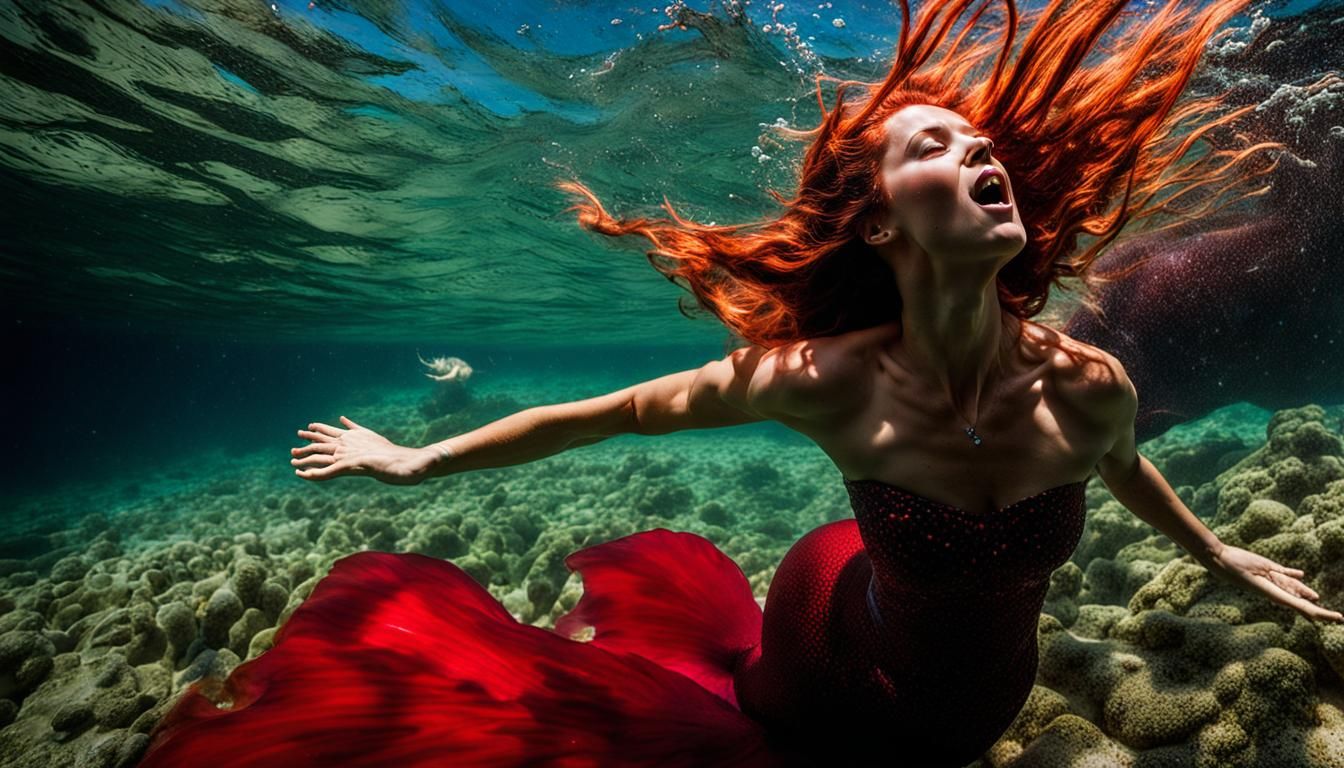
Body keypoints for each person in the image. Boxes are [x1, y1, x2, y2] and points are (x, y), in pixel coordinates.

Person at [138, 0, 1343, 766]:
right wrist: (416, 459)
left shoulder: (1090, 387)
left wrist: (1222, 556)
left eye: (981, 145)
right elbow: (599, 417)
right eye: (934, 145)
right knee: (743, 720)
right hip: (829, 637)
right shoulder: (823, 383)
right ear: (876, 226)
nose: (978, 154)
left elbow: (1123, 467)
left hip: (982, 697)